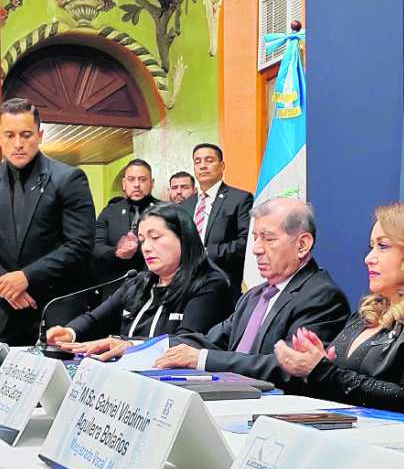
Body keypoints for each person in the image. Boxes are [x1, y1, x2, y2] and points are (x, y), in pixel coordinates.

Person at [274, 202, 404, 413]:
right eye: (371, 246)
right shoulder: (368, 312)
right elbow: (338, 384)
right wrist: (314, 364)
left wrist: (324, 372)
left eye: (383, 246)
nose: (368, 259)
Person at [155, 198, 350, 382]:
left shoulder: (322, 296)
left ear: (302, 245)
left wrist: (201, 359)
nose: (256, 249)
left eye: (268, 239)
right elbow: (211, 341)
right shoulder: (254, 295)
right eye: (255, 238)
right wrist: (148, 347)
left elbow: (290, 365)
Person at [0, 98, 96, 346]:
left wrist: (26, 277)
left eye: (26, 135)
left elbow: (80, 244)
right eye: (9, 135)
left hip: (58, 311)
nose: (18, 144)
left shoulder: (69, 179)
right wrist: (7, 287)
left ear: (39, 135)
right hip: (4, 312)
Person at [46, 202, 231, 357]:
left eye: (155, 237)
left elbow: (185, 343)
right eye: (142, 240)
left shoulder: (210, 284)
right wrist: (69, 332)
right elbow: (95, 319)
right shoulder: (138, 281)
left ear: (184, 238)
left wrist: (130, 346)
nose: (146, 248)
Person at [180, 143, 253, 297]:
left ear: (222, 166)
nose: (203, 166)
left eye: (209, 160)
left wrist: (207, 253)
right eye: (197, 161)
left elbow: (246, 242)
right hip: (187, 285)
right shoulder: (185, 206)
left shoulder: (239, 199)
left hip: (223, 285)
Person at [92, 159, 159, 301]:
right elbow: (96, 247)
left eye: (142, 180)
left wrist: (138, 248)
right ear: (123, 183)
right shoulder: (109, 212)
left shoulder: (165, 210)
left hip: (154, 287)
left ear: (152, 183)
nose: (136, 185)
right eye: (131, 179)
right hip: (114, 289)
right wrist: (117, 252)